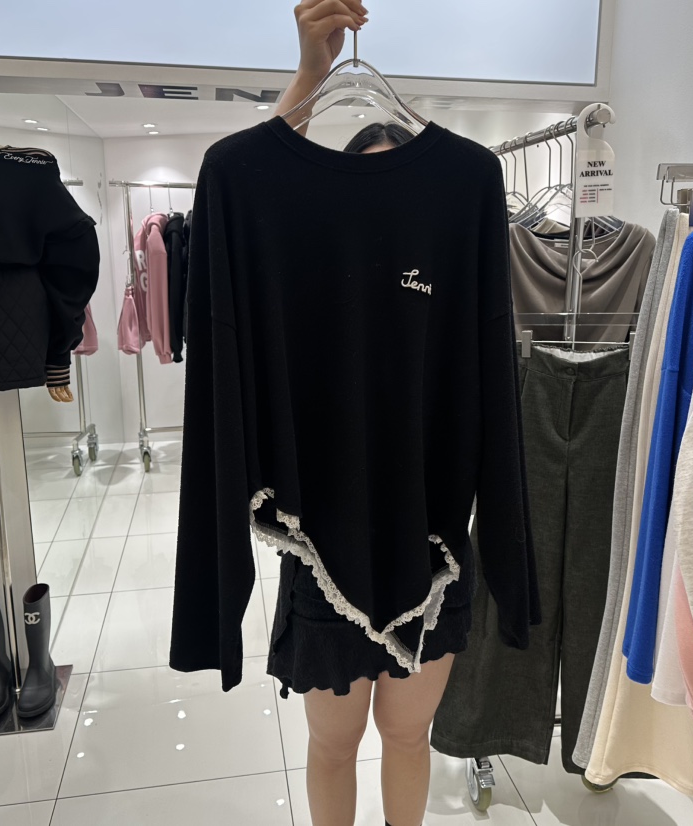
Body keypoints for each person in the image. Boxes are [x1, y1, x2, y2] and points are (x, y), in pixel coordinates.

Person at [269, 4, 467, 826]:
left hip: (430, 544)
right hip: (326, 545)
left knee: (410, 736)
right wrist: (310, 76)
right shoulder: (309, 269)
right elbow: (252, 192)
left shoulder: (454, 261)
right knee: (332, 742)